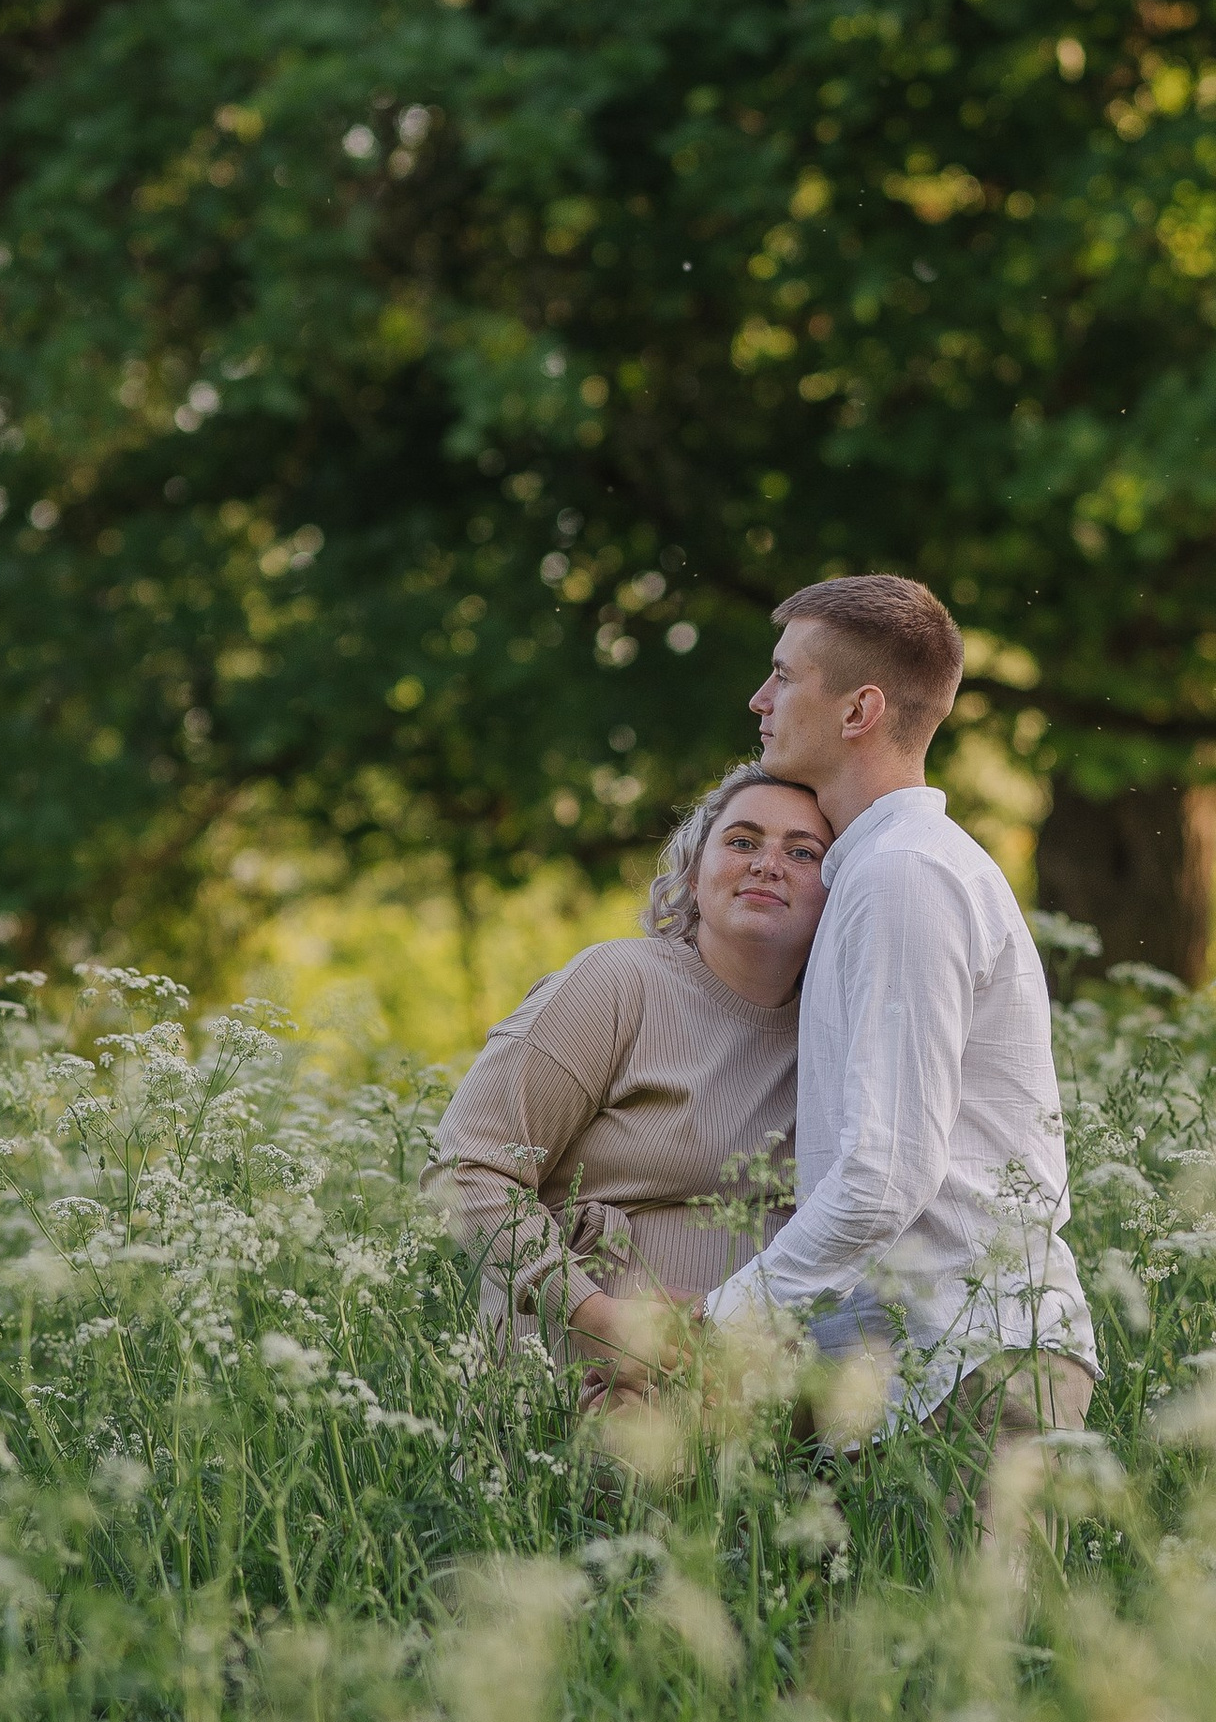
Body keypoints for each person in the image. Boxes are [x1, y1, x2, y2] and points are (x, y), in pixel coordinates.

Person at [705, 572, 1096, 1451]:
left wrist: (725, 1318)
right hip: (902, 1379)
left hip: (972, 1372)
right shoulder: (870, 875)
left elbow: (888, 1175)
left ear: (859, 711)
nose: (759, 699)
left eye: (785, 676)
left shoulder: (903, 877)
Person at [427, 765, 831, 1374]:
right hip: (574, 1392)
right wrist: (593, 1316)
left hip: (757, 1410)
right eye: (742, 841)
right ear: (693, 878)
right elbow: (464, 1167)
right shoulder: (618, 985)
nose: (767, 864)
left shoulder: (840, 1034)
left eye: (802, 852)